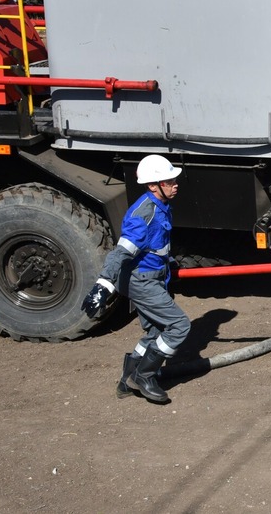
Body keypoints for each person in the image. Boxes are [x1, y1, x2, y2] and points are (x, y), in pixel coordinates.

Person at [81, 154, 189, 404]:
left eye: (174, 179)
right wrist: (102, 286)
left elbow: (155, 246)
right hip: (142, 282)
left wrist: (167, 263)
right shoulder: (144, 215)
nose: (175, 184)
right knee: (179, 326)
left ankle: (126, 381)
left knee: (155, 331)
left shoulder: (161, 206)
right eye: (169, 180)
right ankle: (144, 376)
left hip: (152, 277)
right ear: (154, 186)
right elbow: (120, 253)